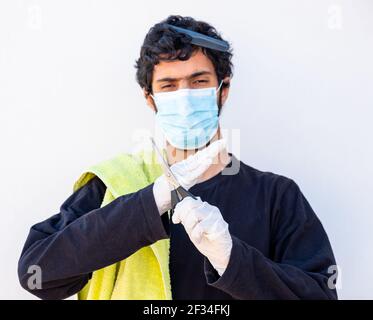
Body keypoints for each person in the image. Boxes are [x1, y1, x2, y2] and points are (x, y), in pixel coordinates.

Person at [18, 15, 338, 300]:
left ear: (222, 90)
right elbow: (37, 274)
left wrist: (232, 260)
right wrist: (150, 203)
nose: (184, 98)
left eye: (198, 82)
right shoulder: (114, 184)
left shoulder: (276, 196)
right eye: (169, 85)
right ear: (149, 97)